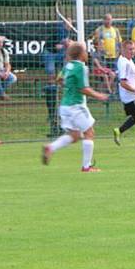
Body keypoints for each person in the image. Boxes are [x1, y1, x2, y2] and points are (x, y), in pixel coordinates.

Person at [42, 41, 109, 172]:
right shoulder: (81, 67)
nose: (87, 54)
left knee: (75, 135)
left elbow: (59, 80)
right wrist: (98, 95)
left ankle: (51, 147)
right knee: (89, 133)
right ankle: (86, 167)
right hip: (76, 106)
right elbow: (83, 88)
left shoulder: (68, 66)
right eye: (85, 52)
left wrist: (68, 86)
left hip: (65, 106)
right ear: (80, 54)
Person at [44, 20, 72, 137]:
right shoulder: (61, 30)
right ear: (65, 24)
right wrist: (69, 44)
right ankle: (52, 87)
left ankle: (59, 85)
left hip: (58, 54)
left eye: (71, 24)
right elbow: (61, 45)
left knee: (64, 66)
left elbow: (66, 46)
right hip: (49, 52)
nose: (70, 26)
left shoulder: (68, 33)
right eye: (69, 24)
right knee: (50, 72)